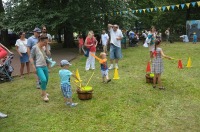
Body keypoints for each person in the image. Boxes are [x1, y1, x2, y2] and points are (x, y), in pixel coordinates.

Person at [29, 35, 49, 102]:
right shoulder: (35, 47)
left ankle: (43, 92)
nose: (46, 44)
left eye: (47, 43)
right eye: (45, 43)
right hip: (38, 66)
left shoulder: (43, 47)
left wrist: (47, 48)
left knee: (46, 80)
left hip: (45, 66)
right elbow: (31, 57)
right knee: (43, 80)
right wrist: (33, 67)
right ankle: (44, 95)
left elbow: (46, 55)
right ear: (40, 41)